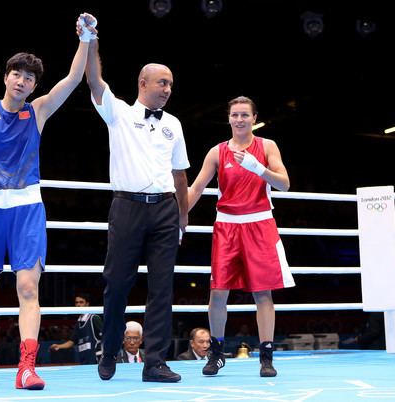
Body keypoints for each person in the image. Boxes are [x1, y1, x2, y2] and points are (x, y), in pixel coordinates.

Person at [0, 12, 97, 390]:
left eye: (29, 77)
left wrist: (85, 39)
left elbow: (72, 80)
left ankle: (27, 367)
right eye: (17, 74)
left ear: (34, 85)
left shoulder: (39, 111)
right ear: (6, 77)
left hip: (27, 208)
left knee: (29, 288)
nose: (23, 80)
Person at [83, 20, 189, 383]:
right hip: (127, 206)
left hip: (164, 210)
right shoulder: (119, 113)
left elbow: (180, 175)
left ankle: (155, 362)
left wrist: (183, 216)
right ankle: (110, 350)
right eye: (163, 83)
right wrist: (91, 41)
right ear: (143, 83)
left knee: (163, 287)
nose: (168, 89)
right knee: (117, 283)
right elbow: (95, 81)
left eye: (171, 84)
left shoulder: (174, 124)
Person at [187, 96, 295, 378]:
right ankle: (216, 352)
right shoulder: (217, 152)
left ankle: (267, 355)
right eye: (235, 115)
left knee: (263, 293)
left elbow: (284, 184)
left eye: (244, 115)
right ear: (229, 118)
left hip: (260, 223)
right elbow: (196, 188)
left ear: (253, 117)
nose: (239, 120)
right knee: (218, 292)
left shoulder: (267, 146)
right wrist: (177, 215)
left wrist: (257, 167)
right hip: (227, 226)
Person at [49, 292, 103, 364]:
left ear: (87, 304)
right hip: (84, 360)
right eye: (77, 302)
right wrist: (58, 346)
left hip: (96, 360)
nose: (78, 305)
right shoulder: (79, 322)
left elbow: (106, 336)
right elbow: (72, 342)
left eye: (81, 302)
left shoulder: (94, 318)